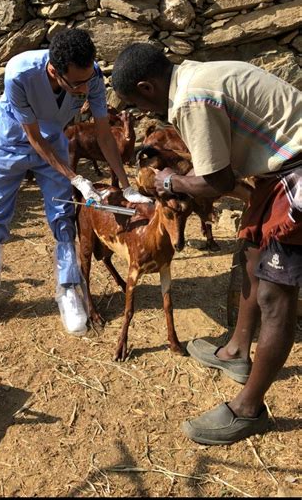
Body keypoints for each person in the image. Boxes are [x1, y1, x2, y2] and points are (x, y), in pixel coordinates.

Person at [111, 42, 302, 445]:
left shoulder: (190, 99)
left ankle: (248, 410)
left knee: (275, 294)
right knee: (251, 249)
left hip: (298, 170)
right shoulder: (197, 75)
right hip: (281, 169)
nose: (146, 114)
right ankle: (235, 352)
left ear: (147, 87)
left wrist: (169, 181)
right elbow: (219, 168)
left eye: (139, 105)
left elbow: (214, 182)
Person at [0, 29, 150, 338]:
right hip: (9, 147)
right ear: (54, 71)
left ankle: (68, 289)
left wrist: (127, 186)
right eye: (76, 84)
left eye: (87, 81)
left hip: (54, 143)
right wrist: (75, 177)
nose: (84, 89)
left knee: (63, 217)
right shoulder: (20, 73)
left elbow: (104, 134)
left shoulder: (90, 76)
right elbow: (34, 139)